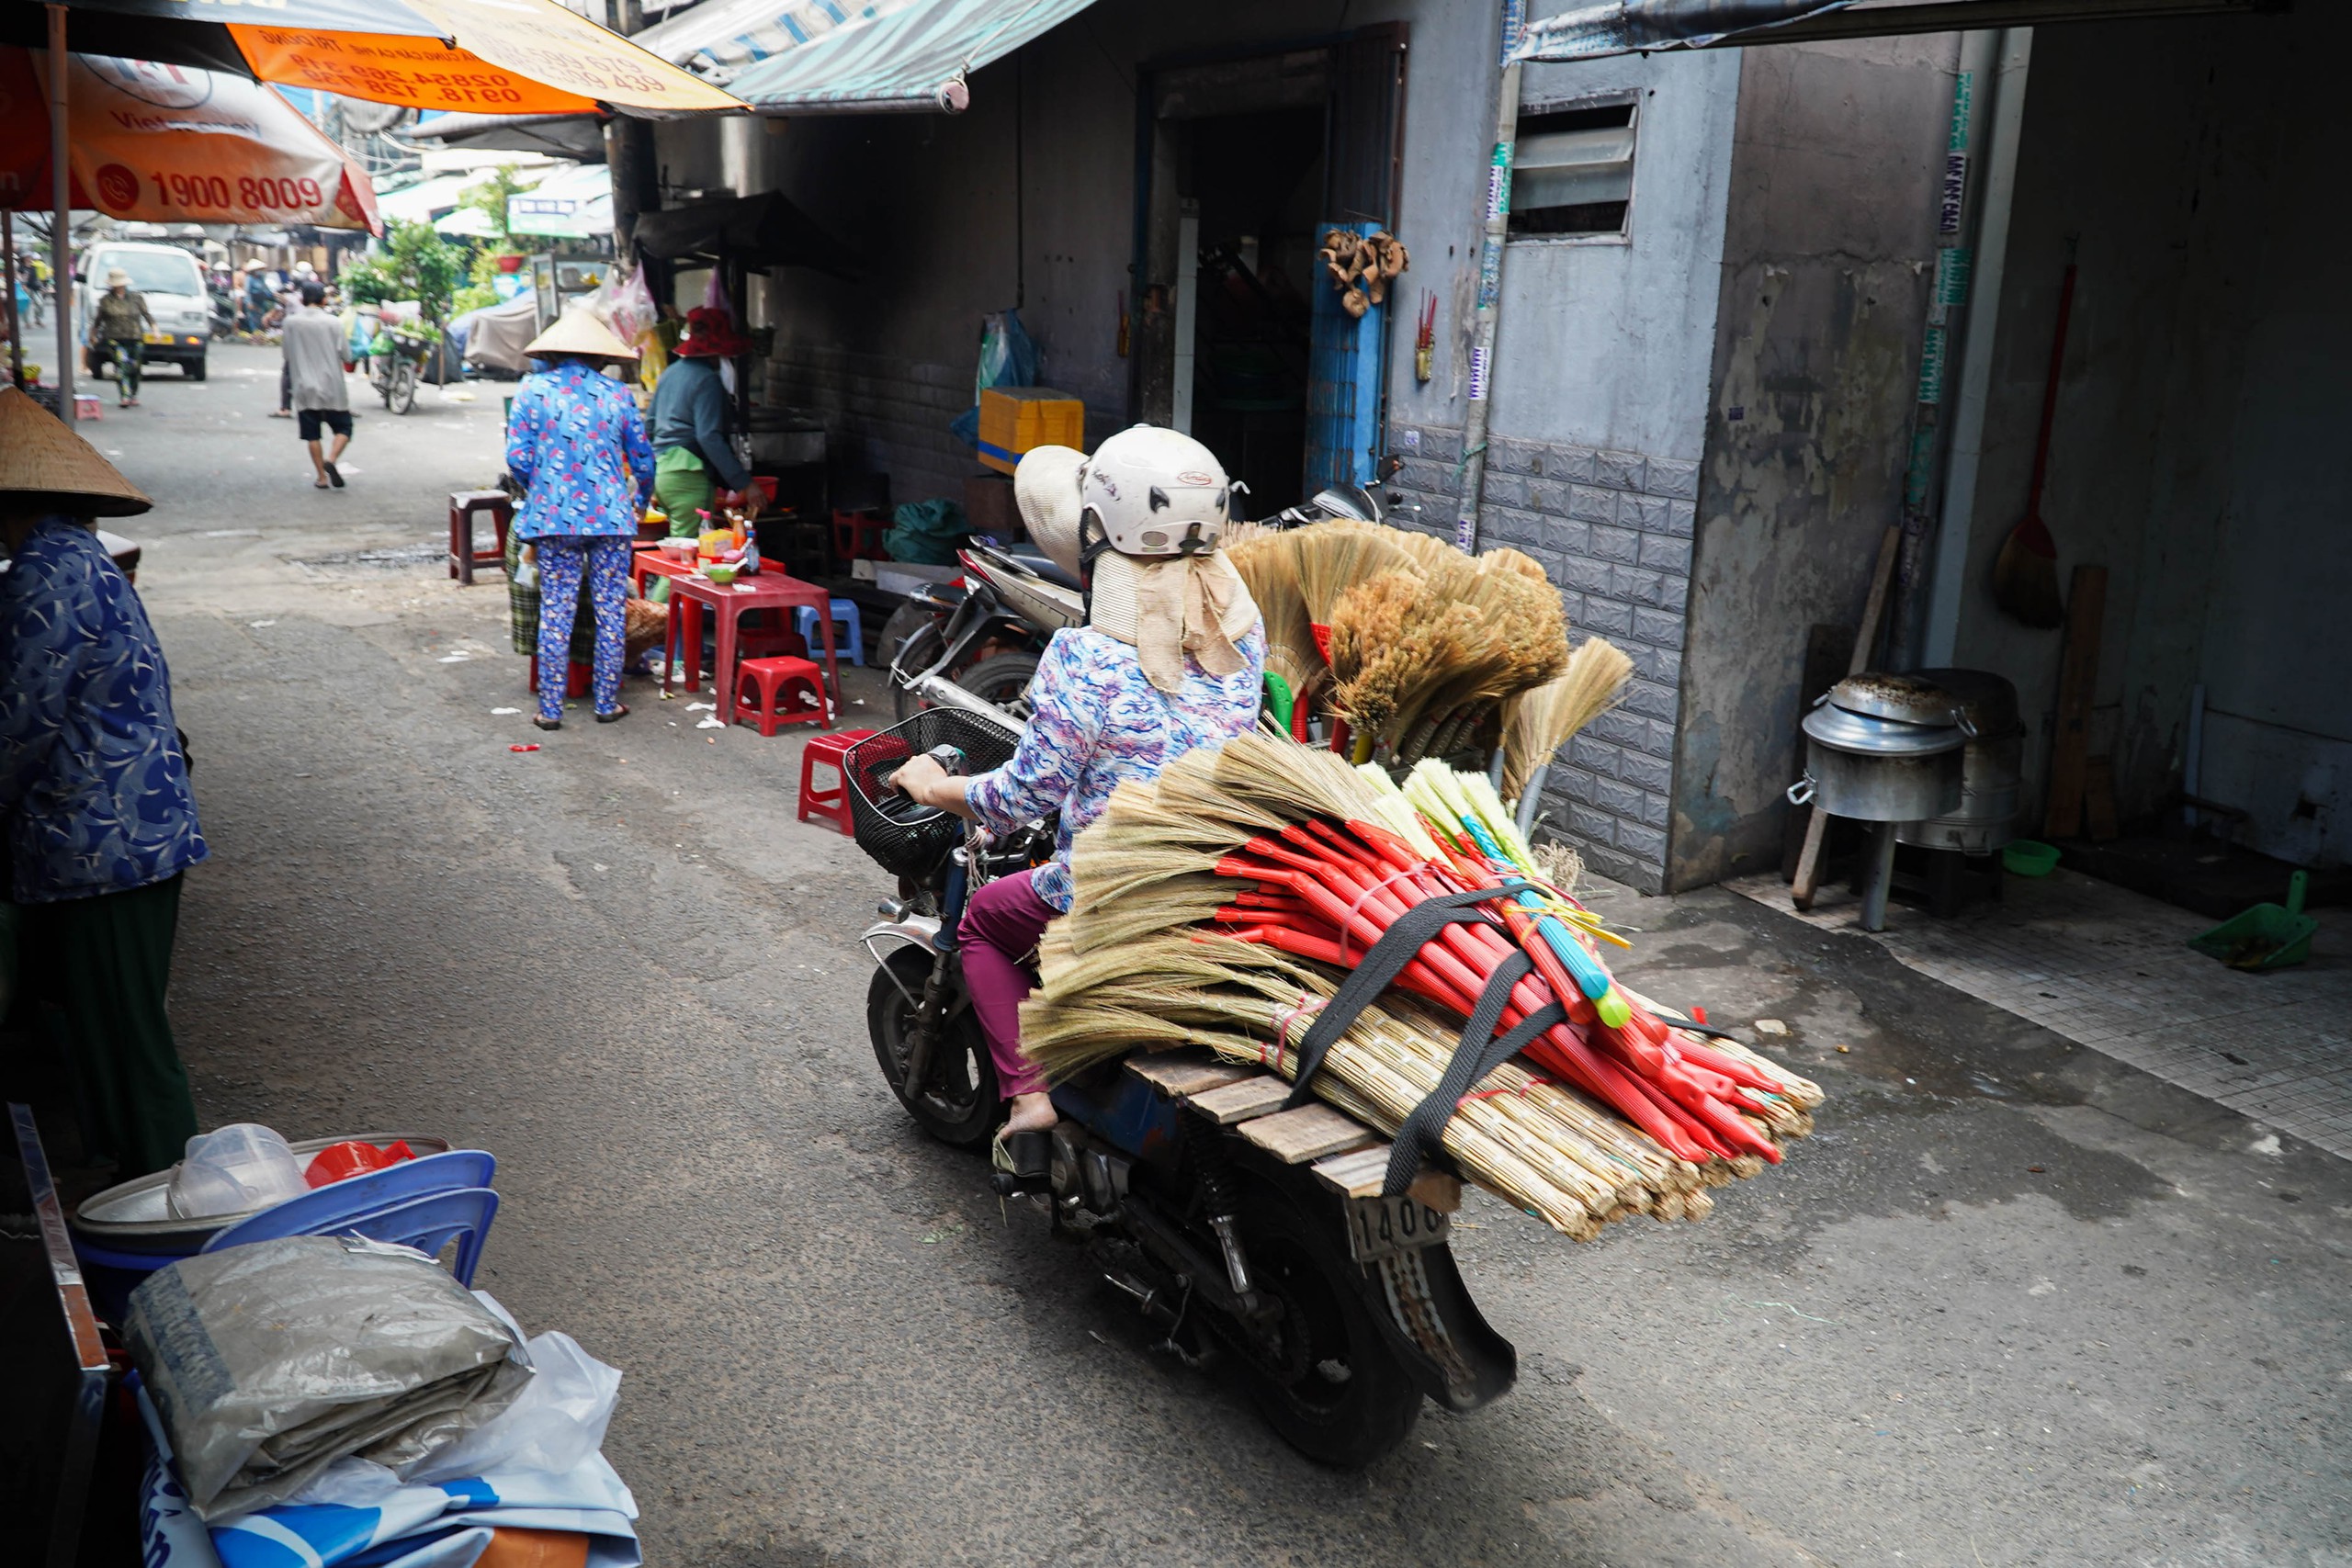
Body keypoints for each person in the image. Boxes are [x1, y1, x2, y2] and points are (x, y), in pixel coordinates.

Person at [890, 427, 1265, 1162]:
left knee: (983, 926)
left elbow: (1024, 795)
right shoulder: (1240, 634)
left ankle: (1030, 1102)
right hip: (1213, 881)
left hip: (1106, 895)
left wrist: (939, 786)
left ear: (1102, 532)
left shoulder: (1086, 654)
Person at [0, 386, 208, 1177]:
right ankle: (137, 1186)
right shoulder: (78, 557)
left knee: (128, 1041)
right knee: (112, 1032)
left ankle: (171, 1205)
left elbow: (21, 721)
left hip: (103, 845)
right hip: (130, 834)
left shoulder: (43, 574)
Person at [505, 309, 653, 730]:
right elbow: (642, 458)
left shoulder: (532, 390)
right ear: (600, 357)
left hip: (553, 520)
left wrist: (543, 487)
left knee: (557, 610)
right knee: (610, 611)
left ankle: (550, 710)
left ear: (554, 353)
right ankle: (606, 704)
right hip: (610, 519)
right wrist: (640, 498)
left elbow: (517, 457)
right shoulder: (618, 394)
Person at [648, 306, 754, 537]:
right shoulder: (707, 381)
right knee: (690, 555)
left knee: (680, 552)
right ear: (718, 351)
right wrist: (744, 483)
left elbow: (650, 425)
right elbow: (708, 437)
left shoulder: (671, 372)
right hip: (688, 474)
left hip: (663, 473)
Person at [282, 281, 352, 489]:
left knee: (312, 434)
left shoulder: (290, 323)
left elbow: (287, 354)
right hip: (332, 385)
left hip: (304, 385)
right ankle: (331, 458)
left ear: (302, 300)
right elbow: (347, 355)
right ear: (324, 300)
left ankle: (321, 477)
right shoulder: (334, 323)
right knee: (344, 427)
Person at [87, 267, 153, 409]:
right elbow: (98, 320)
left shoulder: (136, 298)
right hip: (114, 338)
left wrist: (155, 330)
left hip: (135, 337)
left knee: (135, 368)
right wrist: (92, 335)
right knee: (121, 366)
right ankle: (125, 396)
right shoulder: (106, 300)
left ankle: (133, 394)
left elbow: (147, 315)